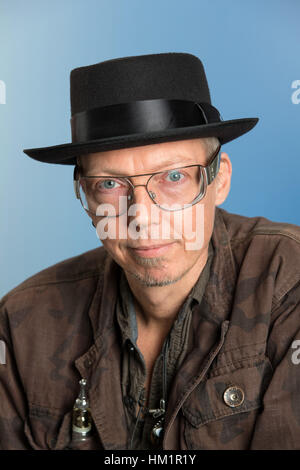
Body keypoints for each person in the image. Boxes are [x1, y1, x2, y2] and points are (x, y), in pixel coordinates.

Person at [1, 52, 300, 450]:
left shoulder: (289, 287)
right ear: (85, 196)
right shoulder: (23, 325)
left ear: (219, 179)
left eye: (174, 176)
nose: (143, 216)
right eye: (110, 184)